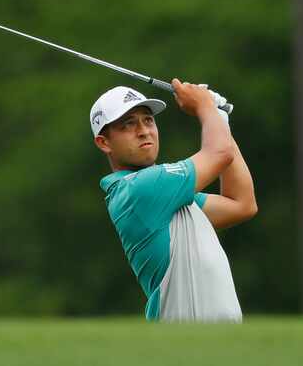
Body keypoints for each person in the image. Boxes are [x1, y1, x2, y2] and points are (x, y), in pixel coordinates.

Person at [90, 79, 257, 322]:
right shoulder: (139, 189)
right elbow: (219, 154)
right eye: (128, 125)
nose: (144, 130)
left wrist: (220, 121)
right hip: (187, 344)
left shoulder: (169, 198)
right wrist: (205, 108)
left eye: (148, 120)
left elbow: (242, 204)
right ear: (104, 143)